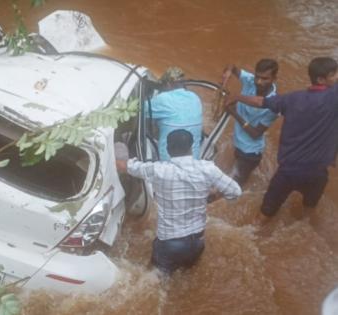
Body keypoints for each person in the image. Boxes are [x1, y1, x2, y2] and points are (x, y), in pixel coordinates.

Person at [226, 57, 338, 220]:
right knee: (309, 211)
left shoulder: (290, 99)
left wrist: (237, 97)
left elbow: (260, 102)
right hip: (317, 172)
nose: (336, 77)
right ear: (321, 79)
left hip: (288, 171)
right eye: (334, 74)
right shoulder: (333, 97)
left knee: (264, 215)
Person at [115, 129, 241, 273]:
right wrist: (211, 197)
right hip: (197, 242)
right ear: (192, 147)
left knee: (157, 284)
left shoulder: (159, 170)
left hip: (169, 244)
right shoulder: (207, 168)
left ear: (168, 149)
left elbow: (122, 166)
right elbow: (235, 191)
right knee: (188, 278)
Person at [221, 59, 279, 187]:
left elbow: (255, 133)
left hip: (249, 153)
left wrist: (234, 113)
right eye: (257, 77)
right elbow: (232, 64)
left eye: (265, 79)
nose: (259, 82)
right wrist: (228, 74)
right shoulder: (250, 80)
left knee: (233, 188)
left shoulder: (274, 104)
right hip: (238, 144)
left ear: (274, 78)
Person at [146, 66, 202, 160]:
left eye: (162, 86)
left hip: (169, 163)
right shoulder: (195, 98)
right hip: (194, 160)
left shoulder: (164, 99)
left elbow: (138, 110)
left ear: (168, 84)